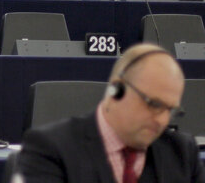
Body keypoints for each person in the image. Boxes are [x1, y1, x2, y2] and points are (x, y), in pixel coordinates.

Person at [17, 43, 204, 183]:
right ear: (117, 89)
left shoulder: (182, 153)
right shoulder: (50, 148)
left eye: (170, 110)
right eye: (153, 104)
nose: (162, 120)